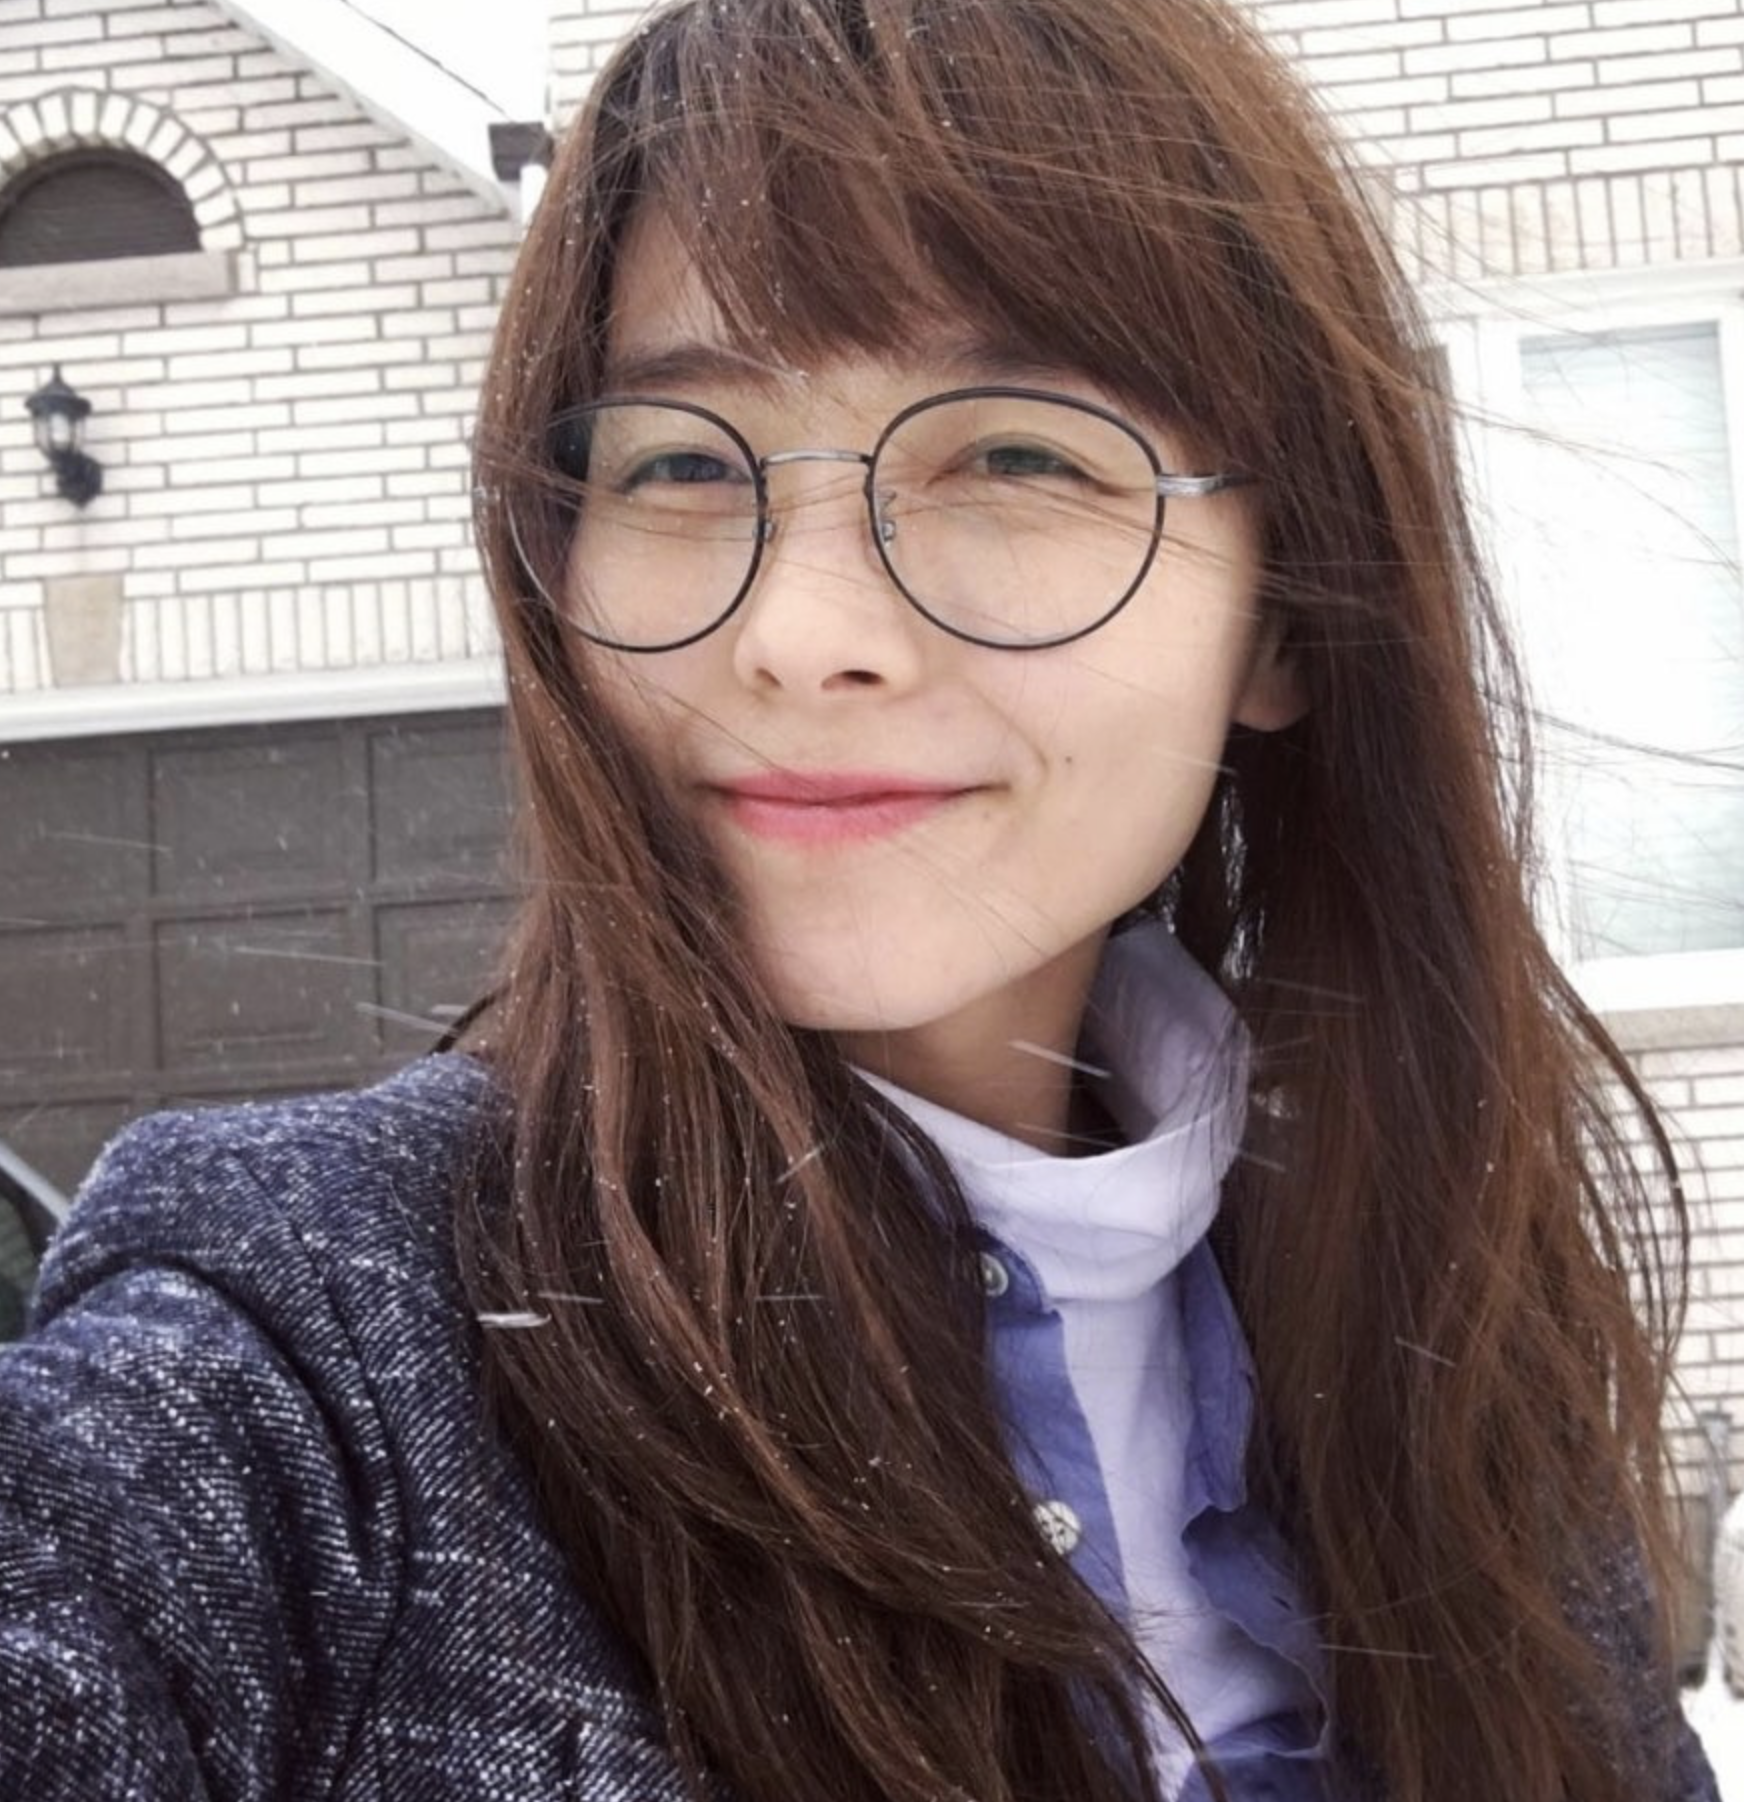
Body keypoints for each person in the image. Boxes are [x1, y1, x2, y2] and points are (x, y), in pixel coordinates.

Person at [0, 2, 1721, 1798]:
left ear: (1281, 613)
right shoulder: (326, 1361)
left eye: (1015, 456)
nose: (800, 634)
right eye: (682, 462)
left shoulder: (1447, 1349)